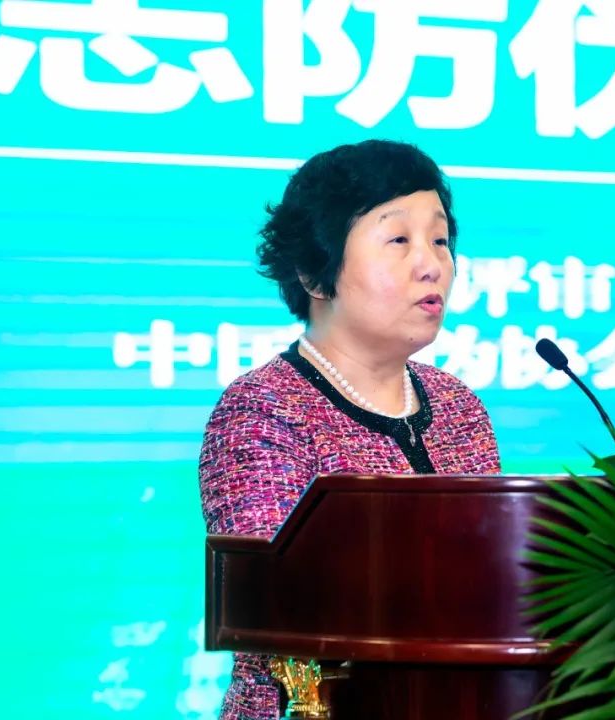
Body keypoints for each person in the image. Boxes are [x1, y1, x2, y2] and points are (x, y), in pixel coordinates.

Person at [198, 139, 502, 720]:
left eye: (440, 240)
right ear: (315, 273)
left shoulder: (459, 408)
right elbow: (280, 611)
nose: (431, 264)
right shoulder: (263, 410)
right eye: (399, 239)